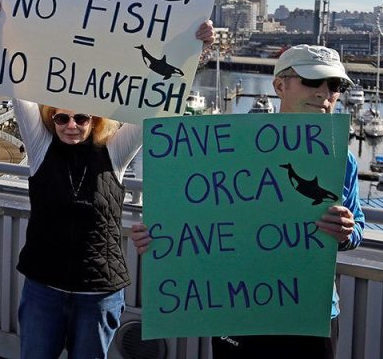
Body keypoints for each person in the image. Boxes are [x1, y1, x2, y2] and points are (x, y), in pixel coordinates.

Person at [0, 0, 213, 358]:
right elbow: (18, 84)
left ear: (96, 119)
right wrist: (1, 29)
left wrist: (193, 53)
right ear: (49, 118)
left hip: (99, 293)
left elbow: (155, 102)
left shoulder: (115, 151)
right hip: (44, 287)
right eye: (62, 118)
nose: (72, 125)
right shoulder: (40, 146)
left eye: (82, 118)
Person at [130, 44, 365, 358]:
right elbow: (195, 221)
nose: (324, 93)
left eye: (334, 85)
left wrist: (347, 231)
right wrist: (158, 238)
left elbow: (357, 228)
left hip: (310, 308)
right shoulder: (223, 148)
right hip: (237, 306)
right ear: (279, 85)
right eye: (312, 81)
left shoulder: (343, 159)